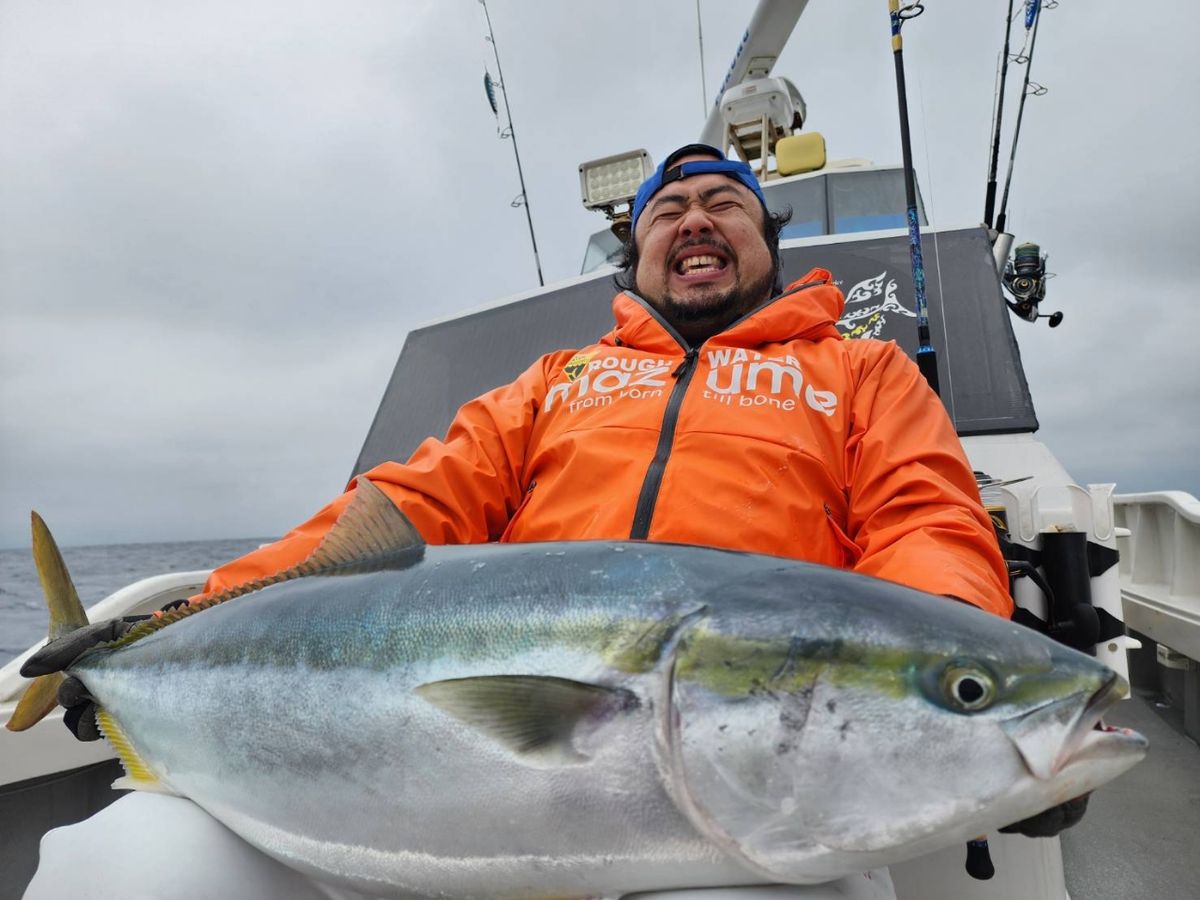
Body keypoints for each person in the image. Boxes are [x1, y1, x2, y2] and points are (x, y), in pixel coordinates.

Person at [26, 144, 1078, 900]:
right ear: (640, 253)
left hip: (743, 805)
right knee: (125, 872)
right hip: (457, 784)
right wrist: (175, 625)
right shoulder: (558, 380)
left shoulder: (859, 371)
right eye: (670, 212)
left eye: (726, 205)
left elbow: (924, 520)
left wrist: (965, 703)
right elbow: (397, 514)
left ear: (768, 239)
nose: (697, 221)